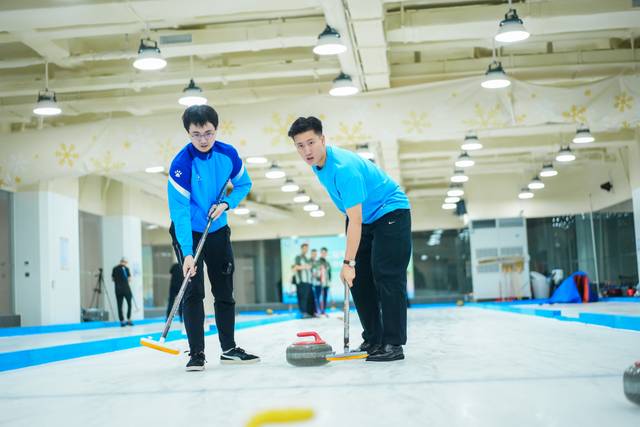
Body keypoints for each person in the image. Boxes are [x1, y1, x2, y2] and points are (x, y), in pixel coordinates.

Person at [288, 116, 412, 362]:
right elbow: (352, 216)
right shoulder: (318, 165)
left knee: (386, 274)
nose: (306, 151)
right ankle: (373, 338)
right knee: (359, 279)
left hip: (390, 212)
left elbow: (354, 220)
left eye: (311, 142)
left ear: (323, 140)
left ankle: (392, 344)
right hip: (363, 217)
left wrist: (348, 262)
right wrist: (353, 267)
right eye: (300, 146)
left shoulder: (344, 169)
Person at [168, 104, 259, 371]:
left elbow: (244, 184)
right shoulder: (181, 165)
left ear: (216, 129)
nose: (204, 140)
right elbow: (180, 213)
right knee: (193, 291)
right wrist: (186, 252)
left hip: (217, 229)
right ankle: (196, 354)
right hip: (189, 233)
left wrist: (227, 204)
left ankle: (229, 348)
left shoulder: (228, 154)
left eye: (208, 133)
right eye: (197, 134)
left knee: (224, 290)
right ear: (188, 133)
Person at [292, 243, 314, 317]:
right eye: (304, 248)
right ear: (301, 249)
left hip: (308, 281)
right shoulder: (298, 257)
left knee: (308, 298)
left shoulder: (306, 258)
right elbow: (295, 267)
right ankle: (303, 313)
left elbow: (309, 269)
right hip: (301, 281)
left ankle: (308, 312)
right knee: (302, 298)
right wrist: (305, 267)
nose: (306, 250)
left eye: (307, 248)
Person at [111, 257, 133, 327]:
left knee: (119, 306)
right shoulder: (126, 269)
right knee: (129, 304)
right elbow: (129, 279)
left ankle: (122, 321)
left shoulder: (115, 268)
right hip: (126, 289)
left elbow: (113, 279)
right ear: (125, 262)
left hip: (118, 289)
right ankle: (128, 319)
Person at [318, 247, 332, 315]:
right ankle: (319, 311)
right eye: (322, 252)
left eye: (325, 253)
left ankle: (323, 311)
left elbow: (329, 273)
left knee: (325, 297)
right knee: (319, 297)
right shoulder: (318, 262)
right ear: (321, 253)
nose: (324, 254)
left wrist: (329, 281)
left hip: (326, 283)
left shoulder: (327, 263)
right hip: (320, 283)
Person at [309, 248, 322, 316]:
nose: (314, 255)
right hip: (311, 283)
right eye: (313, 254)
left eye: (315, 254)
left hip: (318, 283)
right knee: (313, 298)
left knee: (318, 297)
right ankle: (314, 311)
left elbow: (320, 271)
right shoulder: (309, 261)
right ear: (311, 254)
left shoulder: (318, 262)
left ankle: (318, 311)